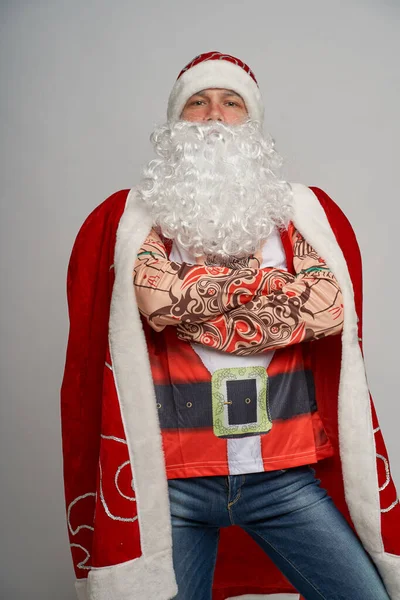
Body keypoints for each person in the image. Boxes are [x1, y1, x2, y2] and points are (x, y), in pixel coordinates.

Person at [61, 51, 400, 600]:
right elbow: (156, 302)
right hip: (174, 483)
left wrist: (192, 296)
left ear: (254, 125)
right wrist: (272, 292)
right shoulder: (130, 220)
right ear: (175, 123)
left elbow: (330, 309)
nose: (214, 115)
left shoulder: (305, 213)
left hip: (284, 477)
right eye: (198, 102)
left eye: (231, 102)